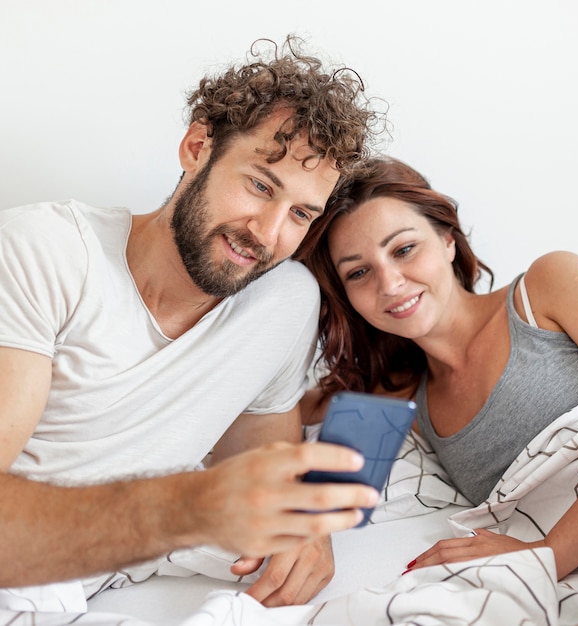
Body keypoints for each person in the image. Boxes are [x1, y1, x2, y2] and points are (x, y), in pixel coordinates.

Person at [0, 36, 384, 607]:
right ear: (197, 146)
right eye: (259, 185)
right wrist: (187, 507)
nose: (268, 233)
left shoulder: (282, 302)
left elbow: (264, 468)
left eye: (300, 214)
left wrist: (303, 529)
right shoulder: (47, 253)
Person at [295, 155, 578, 581]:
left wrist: (549, 554)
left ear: (448, 240)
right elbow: (275, 408)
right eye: (359, 272)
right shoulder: (400, 396)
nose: (390, 283)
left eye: (404, 249)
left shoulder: (544, 291)